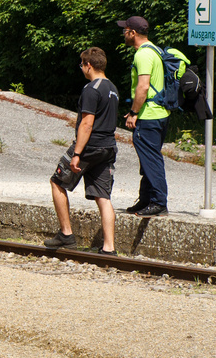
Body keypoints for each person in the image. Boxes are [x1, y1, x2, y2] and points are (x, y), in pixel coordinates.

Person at [47, 47, 119, 252]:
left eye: (82, 65)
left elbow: (87, 124)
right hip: (108, 148)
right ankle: (109, 248)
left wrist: (77, 153)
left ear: (89, 65)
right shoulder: (112, 88)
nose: (82, 69)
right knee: (103, 197)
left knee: (57, 182)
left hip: (89, 147)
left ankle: (66, 234)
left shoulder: (91, 89)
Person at [118, 15, 169, 216]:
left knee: (151, 159)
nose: (123, 34)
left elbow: (143, 86)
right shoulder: (156, 50)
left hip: (148, 115)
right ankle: (146, 199)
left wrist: (133, 113)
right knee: (148, 158)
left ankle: (158, 202)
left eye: (125, 30)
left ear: (133, 33)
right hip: (160, 113)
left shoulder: (142, 55)